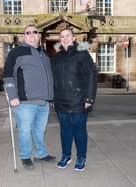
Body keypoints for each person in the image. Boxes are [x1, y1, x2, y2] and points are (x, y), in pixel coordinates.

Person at [3, 25, 55, 170]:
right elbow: (8, 75)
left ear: (39, 36)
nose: (32, 35)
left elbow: (49, 76)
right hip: (25, 102)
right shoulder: (17, 52)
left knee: (40, 130)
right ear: (24, 36)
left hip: (44, 102)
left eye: (35, 32)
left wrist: (52, 98)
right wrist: (12, 95)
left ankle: (40, 154)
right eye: (28, 32)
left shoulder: (45, 54)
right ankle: (25, 156)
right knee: (25, 130)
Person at [51, 28, 97, 171]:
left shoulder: (82, 54)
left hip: (78, 100)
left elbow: (91, 76)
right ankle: (66, 156)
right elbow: (53, 79)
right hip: (61, 101)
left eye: (67, 36)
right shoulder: (56, 58)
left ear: (74, 38)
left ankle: (81, 157)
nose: (65, 39)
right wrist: (52, 98)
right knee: (65, 130)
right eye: (62, 36)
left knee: (79, 130)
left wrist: (89, 98)